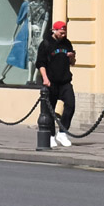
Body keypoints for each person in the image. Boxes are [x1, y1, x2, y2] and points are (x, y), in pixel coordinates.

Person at [36, 20, 76, 148]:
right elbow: (40, 63)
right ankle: (51, 136)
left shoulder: (67, 43)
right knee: (50, 110)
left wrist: (71, 57)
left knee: (71, 105)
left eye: (65, 33)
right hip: (51, 82)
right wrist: (45, 79)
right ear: (54, 30)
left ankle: (62, 132)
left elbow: (73, 62)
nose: (63, 35)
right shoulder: (46, 44)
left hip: (65, 81)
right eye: (61, 32)